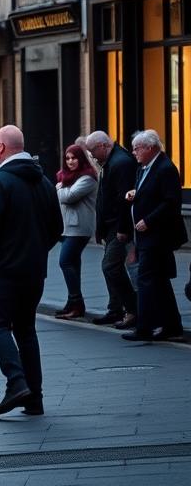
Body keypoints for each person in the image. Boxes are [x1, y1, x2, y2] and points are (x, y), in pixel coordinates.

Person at [0, 125, 62, 416]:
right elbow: (56, 228)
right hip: (33, 271)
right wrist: (35, 253)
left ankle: (16, 381)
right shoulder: (45, 182)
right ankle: (34, 398)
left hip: (1, 270)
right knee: (26, 330)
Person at [120, 129, 187, 342]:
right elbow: (150, 193)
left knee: (146, 279)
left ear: (150, 148)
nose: (133, 153)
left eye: (137, 148)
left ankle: (145, 327)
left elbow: (171, 202)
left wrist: (148, 220)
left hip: (158, 235)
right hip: (146, 236)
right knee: (158, 281)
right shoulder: (144, 168)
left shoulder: (166, 168)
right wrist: (135, 194)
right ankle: (171, 325)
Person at [84, 131, 138, 328]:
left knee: (111, 267)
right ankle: (116, 309)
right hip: (110, 226)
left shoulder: (120, 163)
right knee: (112, 267)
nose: (91, 156)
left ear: (103, 146)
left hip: (119, 226)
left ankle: (133, 309)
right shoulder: (110, 161)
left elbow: (125, 201)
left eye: (92, 151)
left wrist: (123, 228)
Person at [55, 144, 99, 319]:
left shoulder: (87, 177)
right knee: (73, 264)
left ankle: (77, 302)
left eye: (74, 158)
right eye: (68, 158)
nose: (71, 161)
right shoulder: (67, 177)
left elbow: (68, 196)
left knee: (65, 261)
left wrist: (59, 187)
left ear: (81, 159)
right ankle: (72, 303)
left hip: (79, 227)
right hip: (68, 227)